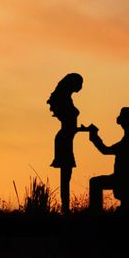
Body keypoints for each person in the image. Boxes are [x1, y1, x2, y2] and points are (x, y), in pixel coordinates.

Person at [47, 73, 89, 214]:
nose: (81, 87)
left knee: (67, 175)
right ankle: (65, 209)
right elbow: (68, 125)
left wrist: (82, 129)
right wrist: (81, 129)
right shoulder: (64, 99)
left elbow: (70, 126)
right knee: (66, 175)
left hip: (66, 138)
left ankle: (66, 208)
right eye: (80, 83)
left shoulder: (66, 99)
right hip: (64, 139)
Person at [88, 107, 129, 212]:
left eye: (122, 116)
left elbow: (105, 150)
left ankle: (94, 214)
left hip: (125, 180)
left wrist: (94, 137)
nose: (119, 119)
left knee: (95, 183)